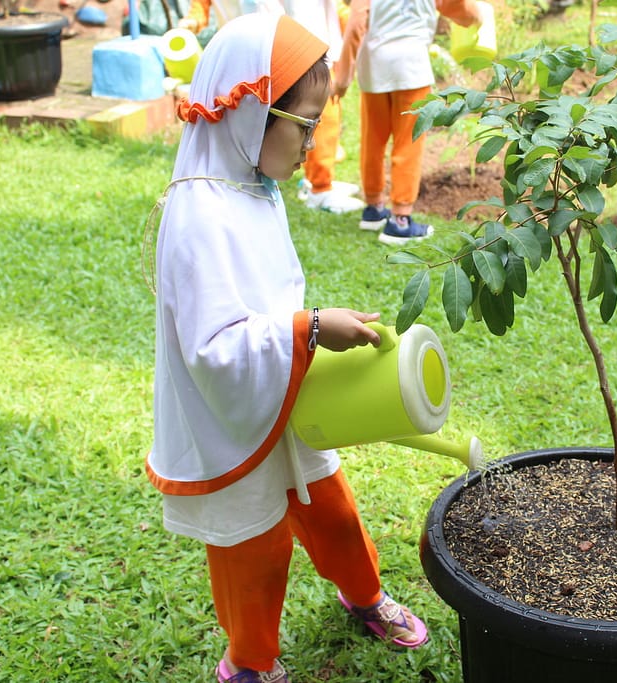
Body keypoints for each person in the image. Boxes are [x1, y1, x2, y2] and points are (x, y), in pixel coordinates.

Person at [147, 14, 428, 683]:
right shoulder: (197, 216)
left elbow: (271, 290)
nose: (312, 141)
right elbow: (213, 350)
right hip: (233, 415)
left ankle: (362, 594)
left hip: (281, 388)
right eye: (302, 124)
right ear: (247, 110)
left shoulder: (254, 186)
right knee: (253, 544)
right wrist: (306, 330)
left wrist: (309, 331)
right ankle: (248, 661)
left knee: (330, 505)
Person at [179, 0, 364, 214]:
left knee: (321, 120)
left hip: (301, 51)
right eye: (306, 128)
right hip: (275, 58)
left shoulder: (261, 193)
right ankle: (320, 186)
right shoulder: (208, 218)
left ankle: (321, 179)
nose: (310, 143)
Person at [333, 0, 481, 244]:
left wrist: (343, 77)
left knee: (373, 139)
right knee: (409, 142)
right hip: (411, 66)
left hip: (374, 66)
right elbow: (460, 9)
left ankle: (373, 208)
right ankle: (400, 220)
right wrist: (477, 17)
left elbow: (356, 21)